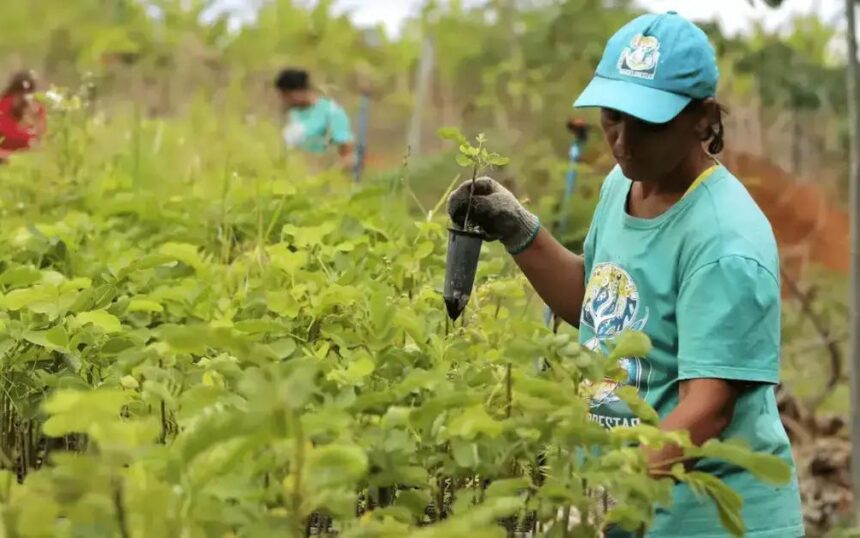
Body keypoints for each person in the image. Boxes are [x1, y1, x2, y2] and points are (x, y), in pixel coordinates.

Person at [447, 12, 803, 538]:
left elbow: (707, 409)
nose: (623, 140)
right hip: (631, 508)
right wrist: (518, 231)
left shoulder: (726, 240)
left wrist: (617, 491)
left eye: (648, 123)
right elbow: (597, 302)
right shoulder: (625, 184)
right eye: (614, 116)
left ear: (703, 120)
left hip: (706, 522)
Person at [274, 68, 355, 171]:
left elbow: (347, 156)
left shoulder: (331, 112)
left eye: (286, 95)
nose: (284, 100)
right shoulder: (290, 113)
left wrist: (326, 176)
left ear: (300, 91)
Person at [0, 70, 45, 162]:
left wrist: (35, 118)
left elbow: (41, 139)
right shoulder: (4, 107)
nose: (25, 97)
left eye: (29, 92)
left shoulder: (36, 108)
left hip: (26, 159)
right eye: (21, 92)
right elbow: (10, 132)